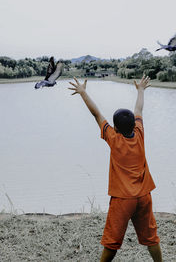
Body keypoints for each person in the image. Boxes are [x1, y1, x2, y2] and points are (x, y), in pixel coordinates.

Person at [68, 76, 162, 262]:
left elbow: (96, 114)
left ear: (116, 128)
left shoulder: (113, 138)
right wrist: (141, 89)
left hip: (122, 199)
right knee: (151, 237)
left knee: (112, 241)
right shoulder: (140, 133)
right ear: (134, 125)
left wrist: (83, 92)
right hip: (144, 196)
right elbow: (139, 109)